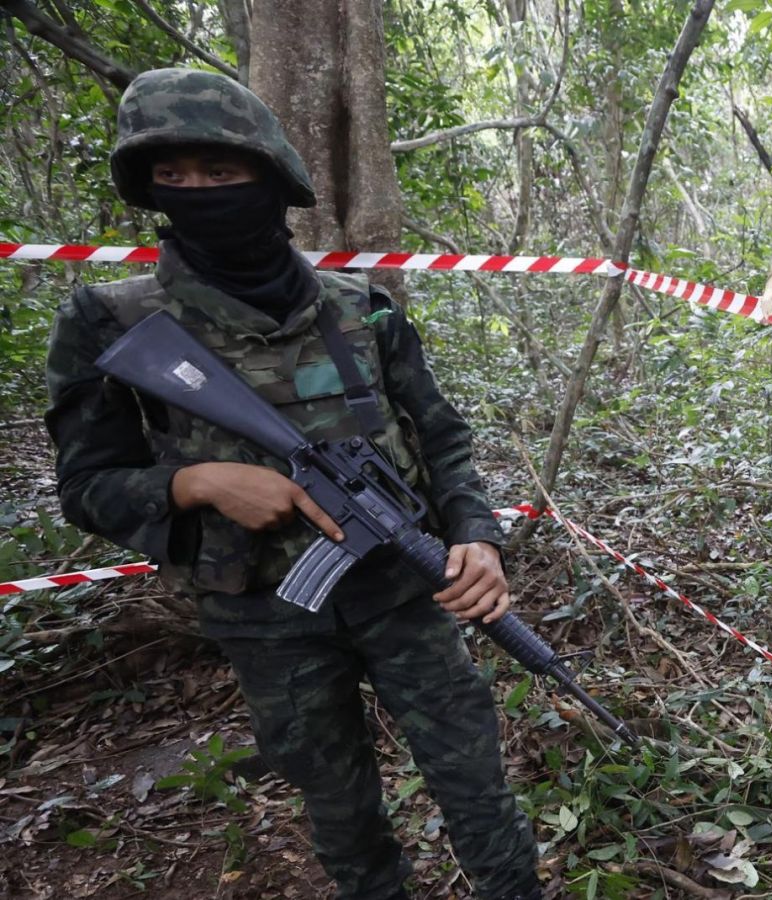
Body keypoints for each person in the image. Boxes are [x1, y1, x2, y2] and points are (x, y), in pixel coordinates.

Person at [44, 68, 543, 900]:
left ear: (271, 177)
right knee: (339, 808)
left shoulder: (360, 305)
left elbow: (442, 437)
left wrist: (476, 537)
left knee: (475, 784)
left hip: (404, 591)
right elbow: (86, 486)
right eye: (173, 176)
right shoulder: (111, 320)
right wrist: (197, 483)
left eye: (220, 171)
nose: (198, 192)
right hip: (266, 617)